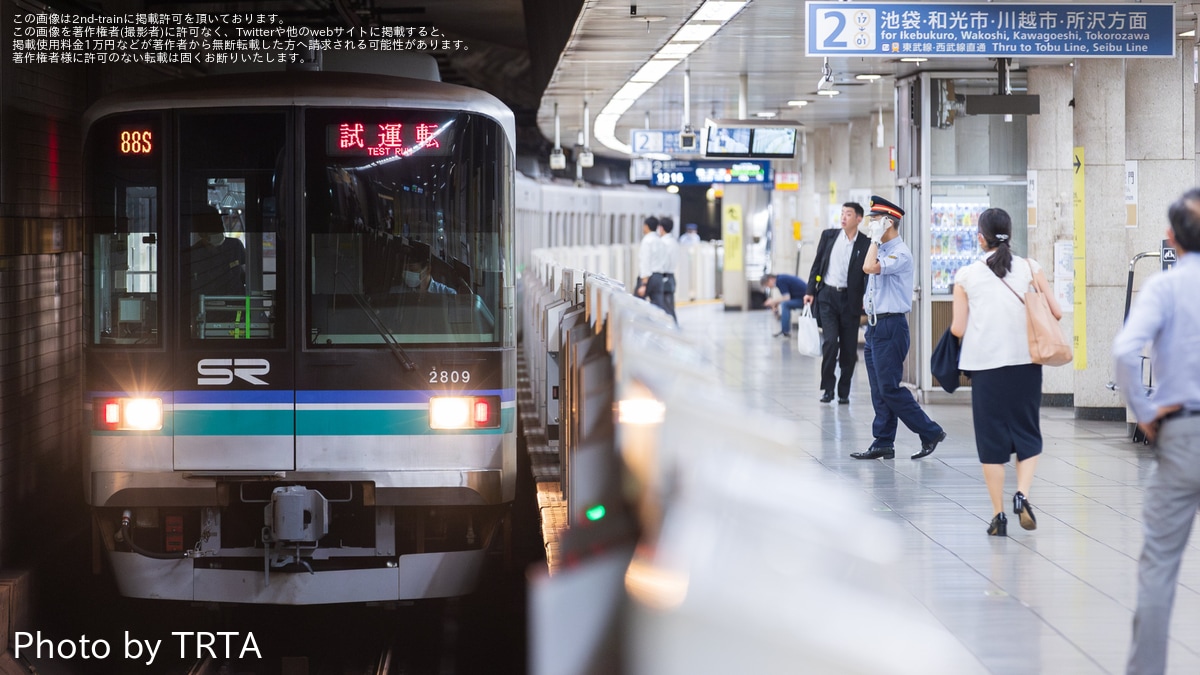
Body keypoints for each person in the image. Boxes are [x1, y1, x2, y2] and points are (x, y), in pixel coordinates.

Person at [1113, 188, 1200, 675]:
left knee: (1160, 566)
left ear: (1171, 238)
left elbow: (1126, 351)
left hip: (1183, 434)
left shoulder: (1165, 287)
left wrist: (1145, 412)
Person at [950, 208, 1060, 537]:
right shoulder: (1030, 268)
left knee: (991, 442)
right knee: (1027, 432)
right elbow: (1055, 311)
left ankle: (998, 516)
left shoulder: (966, 275)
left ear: (980, 238)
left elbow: (957, 328)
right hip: (1026, 363)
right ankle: (1022, 495)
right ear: (1009, 234)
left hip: (985, 368)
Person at [851, 196, 946, 461]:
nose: (870, 224)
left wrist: (873, 239)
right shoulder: (881, 248)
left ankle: (930, 431)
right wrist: (875, 240)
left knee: (890, 388)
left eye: (875, 220)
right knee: (878, 389)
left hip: (891, 327)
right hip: (874, 327)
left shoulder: (899, 253)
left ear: (888, 222)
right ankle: (883, 441)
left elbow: (869, 268)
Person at [804, 202, 871, 403]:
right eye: (842, 214)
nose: (843, 218)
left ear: (858, 219)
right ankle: (828, 389)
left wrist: (866, 299)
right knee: (831, 342)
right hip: (827, 297)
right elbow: (817, 265)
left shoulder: (865, 244)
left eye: (848, 214)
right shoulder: (828, 236)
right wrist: (810, 291)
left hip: (850, 301)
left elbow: (866, 276)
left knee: (849, 350)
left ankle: (844, 391)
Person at [186, 207, 246, 298]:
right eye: (212, 227)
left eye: (219, 225)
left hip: (236, 304)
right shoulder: (194, 254)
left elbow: (247, 274)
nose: (219, 229)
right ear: (201, 233)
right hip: (207, 306)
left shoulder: (235, 246)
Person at [761, 273, 806, 338]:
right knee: (784, 304)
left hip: (805, 300)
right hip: (802, 298)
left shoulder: (780, 281)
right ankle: (785, 330)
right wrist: (775, 303)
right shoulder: (781, 279)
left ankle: (785, 331)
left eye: (767, 285)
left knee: (785, 304)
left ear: (770, 279)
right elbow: (787, 297)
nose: (769, 287)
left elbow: (786, 298)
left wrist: (773, 301)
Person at [636, 215, 667, 312]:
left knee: (637, 304)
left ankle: (640, 325)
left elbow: (645, 261)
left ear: (646, 226)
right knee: (658, 306)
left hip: (649, 277)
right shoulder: (660, 241)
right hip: (659, 277)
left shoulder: (647, 241)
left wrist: (643, 284)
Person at [657, 216, 679, 321]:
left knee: (666, 307)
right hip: (671, 277)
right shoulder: (674, 241)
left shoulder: (663, 243)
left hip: (664, 277)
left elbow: (662, 262)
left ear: (661, 228)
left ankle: (672, 329)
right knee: (669, 305)